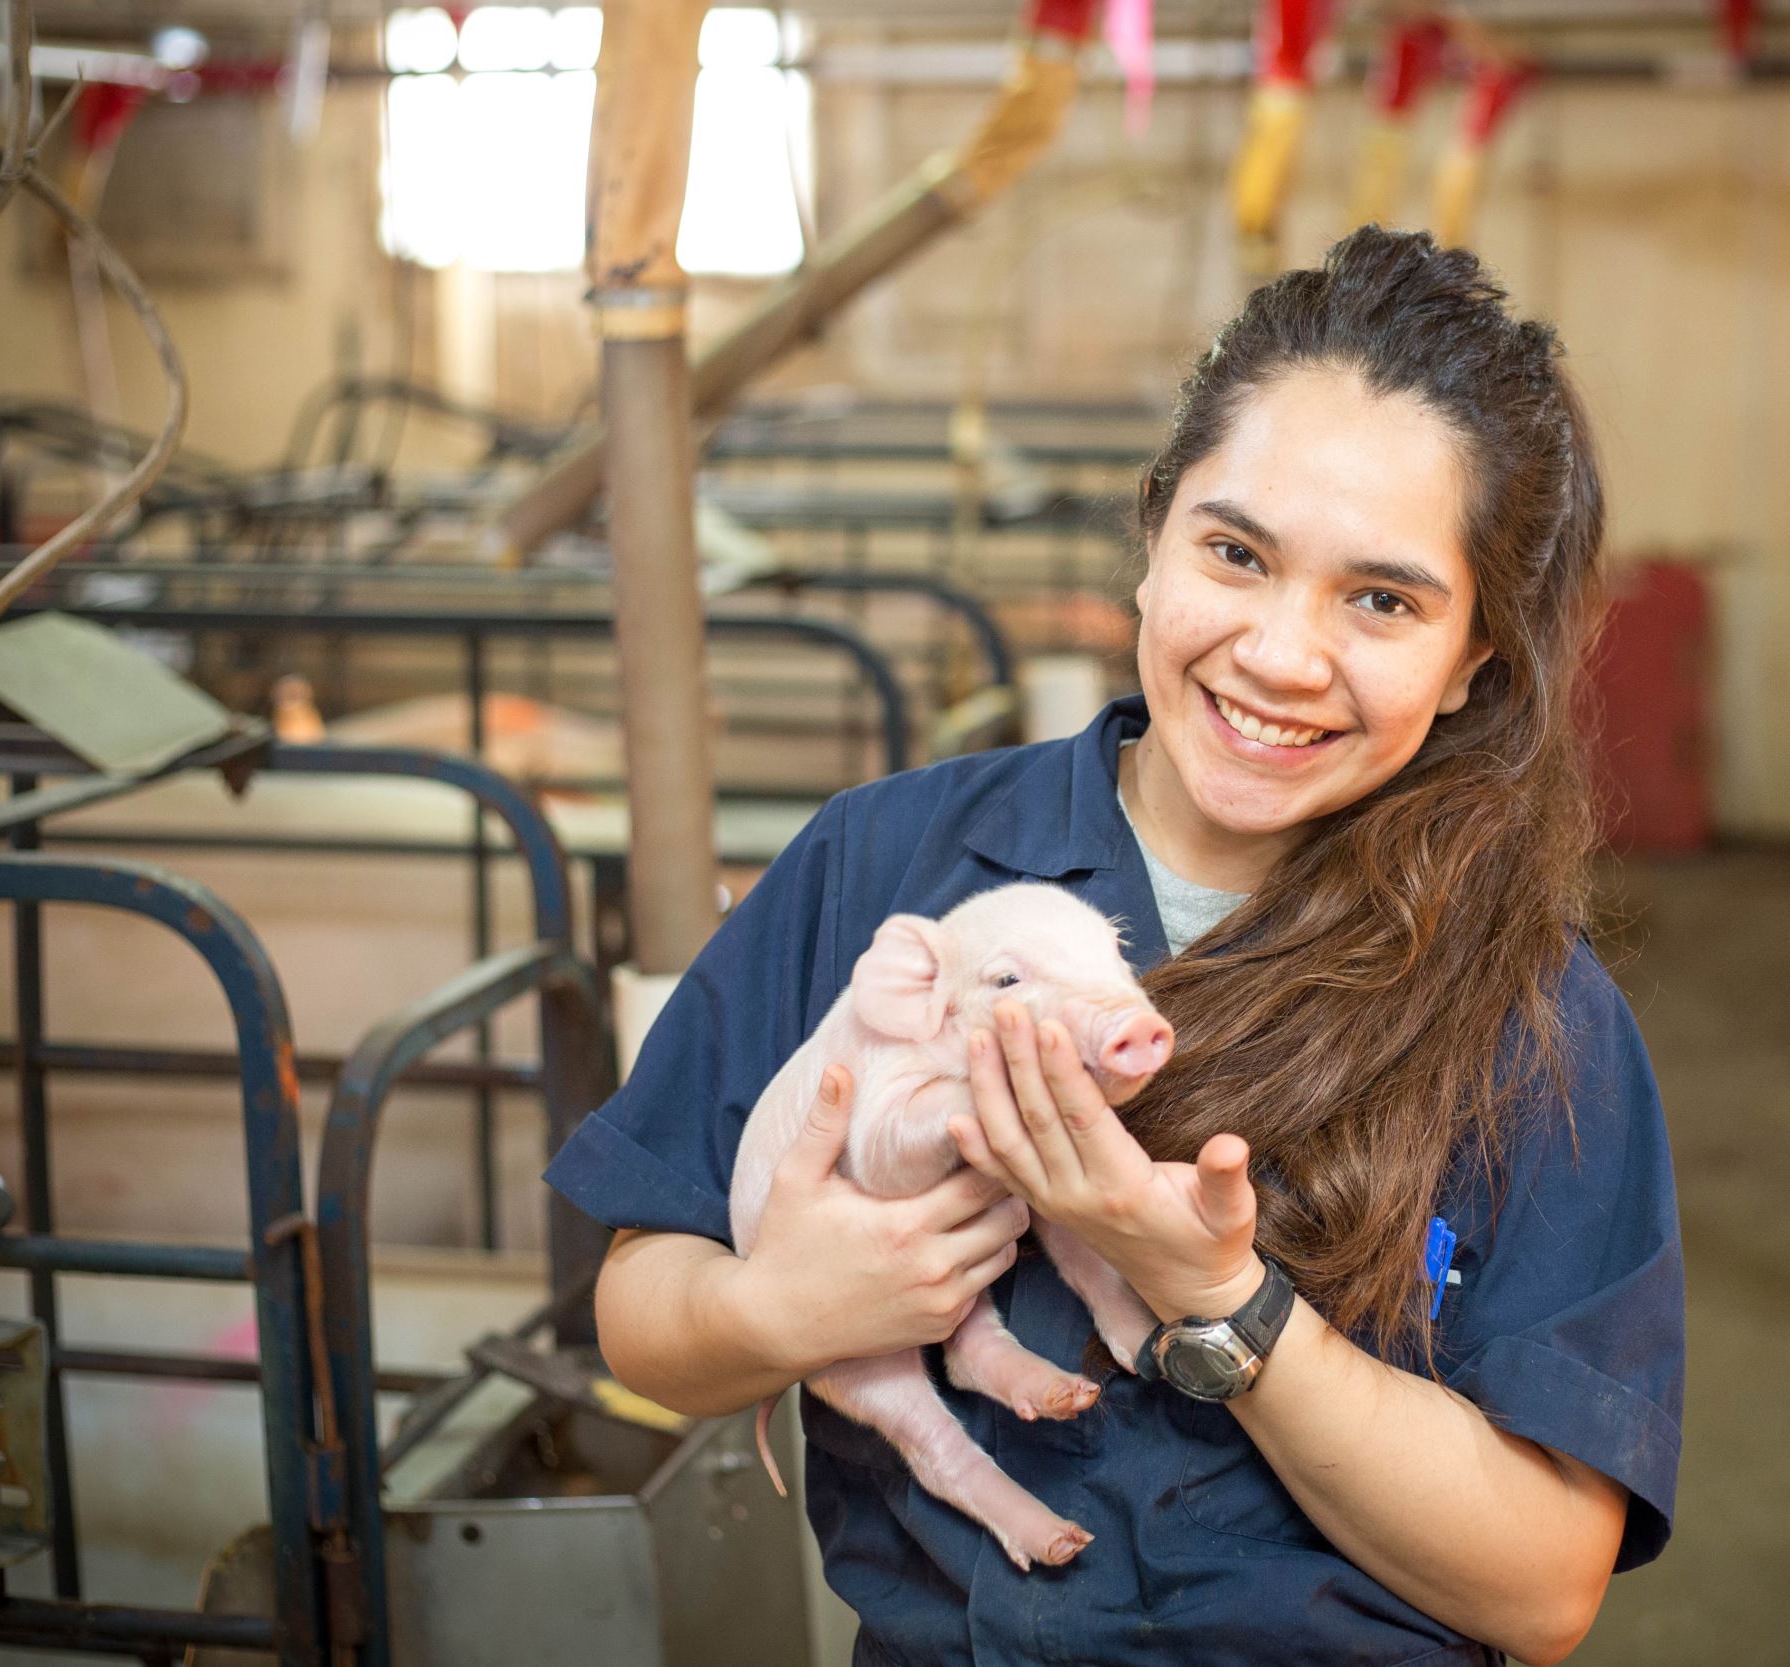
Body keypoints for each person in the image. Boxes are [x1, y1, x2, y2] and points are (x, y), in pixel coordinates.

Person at [545, 225, 1684, 1667]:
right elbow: (641, 1316)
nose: (1280, 653)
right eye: (1235, 553)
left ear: (1475, 663)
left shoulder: (1530, 1018)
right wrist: (776, 1305)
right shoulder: (887, 866)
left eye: (1381, 600)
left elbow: (1540, 1590)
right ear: (1150, 545)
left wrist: (1220, 1303)